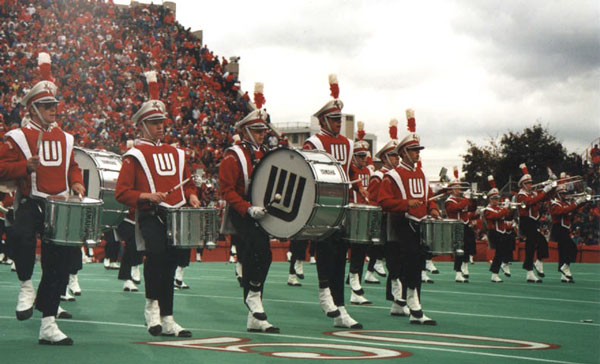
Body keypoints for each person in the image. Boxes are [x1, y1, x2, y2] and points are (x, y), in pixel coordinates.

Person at [0, 55, 84, 345]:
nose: (53, 111)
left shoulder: (66, 137)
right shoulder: (18, 136)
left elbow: (73, 165)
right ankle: (25, 284)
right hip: (31, 201)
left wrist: (77, 182)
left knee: (59, 265)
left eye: (54, 106)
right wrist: (25, 167)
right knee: (20, 236)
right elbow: (1, 168)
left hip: (59, 206)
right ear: (34, 108)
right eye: (47, 106)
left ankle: (49, 324)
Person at [115, 71, 199, 337]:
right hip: (151, 216)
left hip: (176, 215)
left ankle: (169, 317)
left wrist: (194, 195)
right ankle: (152, 310)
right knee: (157, 259)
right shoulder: (134, 155)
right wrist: (146, 196)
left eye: (161, 121)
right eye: (153, 122)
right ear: (142, 125)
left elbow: (187, 182)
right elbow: (121, 192)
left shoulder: (176, 152)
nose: (160, 126)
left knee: (173, 263)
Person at [302, 74, 362, 329]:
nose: (338, 123)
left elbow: (351, 174)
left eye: (339, 119)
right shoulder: (313, 142)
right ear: (323, 120)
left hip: (342, 207)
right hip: (321, 208)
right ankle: (325, 291)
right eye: (334, 119)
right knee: (326, 252)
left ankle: (340, 307)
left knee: (340, 257)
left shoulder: (349, 145)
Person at [219, 107, 280, 333]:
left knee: (263, 257)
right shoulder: (233, 155)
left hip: (263, 211)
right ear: (245, 131)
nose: (262, 134)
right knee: (257, 254)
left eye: (263, 130)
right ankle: (254, 298)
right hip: (241, 212)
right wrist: (247, 208)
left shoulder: (267, 153)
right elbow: (226, 190)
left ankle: (255, 316)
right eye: (256, 130)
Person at [377, 109, 439, 325]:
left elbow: (428, 196)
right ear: (403, 153)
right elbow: (383, 202)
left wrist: (433, 209)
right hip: (400, 226)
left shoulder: (422, 174)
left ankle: (402, 304)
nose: (417, 153)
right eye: (413, 150)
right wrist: (406, 204)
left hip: (419, 226)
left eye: (418, 150)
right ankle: (415, 308)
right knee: (407, 266)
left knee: (415, 264)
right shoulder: (392, 176)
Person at [368, 121, 407, 316]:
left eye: (398, 155)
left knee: (401, 261)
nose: (397, 159)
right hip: (386, 220)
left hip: (401, 220)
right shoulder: (378, 176)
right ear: (384, 158)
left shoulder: (400, 175)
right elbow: (374, 200)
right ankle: (396, 299)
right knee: (393, 260)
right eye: (393, 155)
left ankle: (398, 302)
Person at [516, 163, 554, 283]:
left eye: (531, 183)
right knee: (532, 245)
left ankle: (535, 266)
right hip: (525, 222)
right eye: (528, 183)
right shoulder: (521, 195)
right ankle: (531, 270)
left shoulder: (532, 193)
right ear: (522, 184)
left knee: (538, 243)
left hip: (533, 222)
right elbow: (530, 202)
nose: (531, 185)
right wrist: (544, 191)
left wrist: (551, 188)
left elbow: (544, 198)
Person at [346, 139, 373, 305]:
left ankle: (355, 286)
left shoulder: (369, 172)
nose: (364, 159)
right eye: (360, 156)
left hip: (364, 214)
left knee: (361, 250)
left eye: (365, 156)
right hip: (351, 213)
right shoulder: (350, 171)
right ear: (354, 157)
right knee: (355, 250)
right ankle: (353, 285)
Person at [444, 167, 477, 283]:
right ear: (451, 189)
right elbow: (457, 208)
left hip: (466, 225)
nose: (459, 189)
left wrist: (474, 199)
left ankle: (465, 266)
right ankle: (458, 273)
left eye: (459, 187)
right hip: (456, 226)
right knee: (459, 250)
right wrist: (466, 199)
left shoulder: (463, 199)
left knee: (468, 246)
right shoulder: (449, 201)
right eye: (456, 187)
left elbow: (472, 209)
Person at [550, 181, 587, 283]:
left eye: (565, 193)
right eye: (562, 193)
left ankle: (564, 274)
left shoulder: (565, 203)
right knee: (572, 248)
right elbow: (563, 211)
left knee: (563, 252)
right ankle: (565, 267)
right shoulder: (554, 204)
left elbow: (573, 210)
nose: (564, 195)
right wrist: (576, 202)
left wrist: (583, 201)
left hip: (564, 229)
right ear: (557, 194)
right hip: (558, 229)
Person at [483, 177, 512, 283]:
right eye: (494, 198)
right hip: (494, 233)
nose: (497, 200)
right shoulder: (488, 209)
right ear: (490, 199)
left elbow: (508, 218)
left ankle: (502, 266)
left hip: (502, 232)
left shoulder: (499, 208)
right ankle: (495, 274)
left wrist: (511, 209)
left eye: (497, 198)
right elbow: (496, 216)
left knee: (505, 250)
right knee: (499, 253)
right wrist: (505, 209)